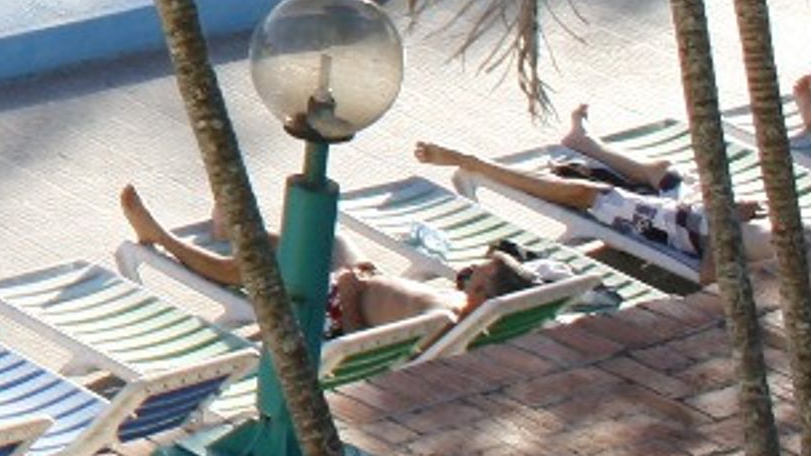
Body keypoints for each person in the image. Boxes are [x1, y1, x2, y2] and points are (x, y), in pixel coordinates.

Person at [118, 183, 528, 332]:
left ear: (484, 294)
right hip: (357, 283)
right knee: (329, 240)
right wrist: (364, 279)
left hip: (333, 309)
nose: (471, 270)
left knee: (250, 270)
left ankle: (161, 239)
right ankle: (235, 231)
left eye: (478, 275)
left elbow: (372, 348)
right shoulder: (465, 307)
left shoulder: (445, 322)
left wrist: (350, 294)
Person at [418, 132, 724, 276]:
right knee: (666, 172)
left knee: (589, 195)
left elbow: (711, 275)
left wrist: (726, 229)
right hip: (704, 212)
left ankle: (473, 163)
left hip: (686, 229)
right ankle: (585, 142)